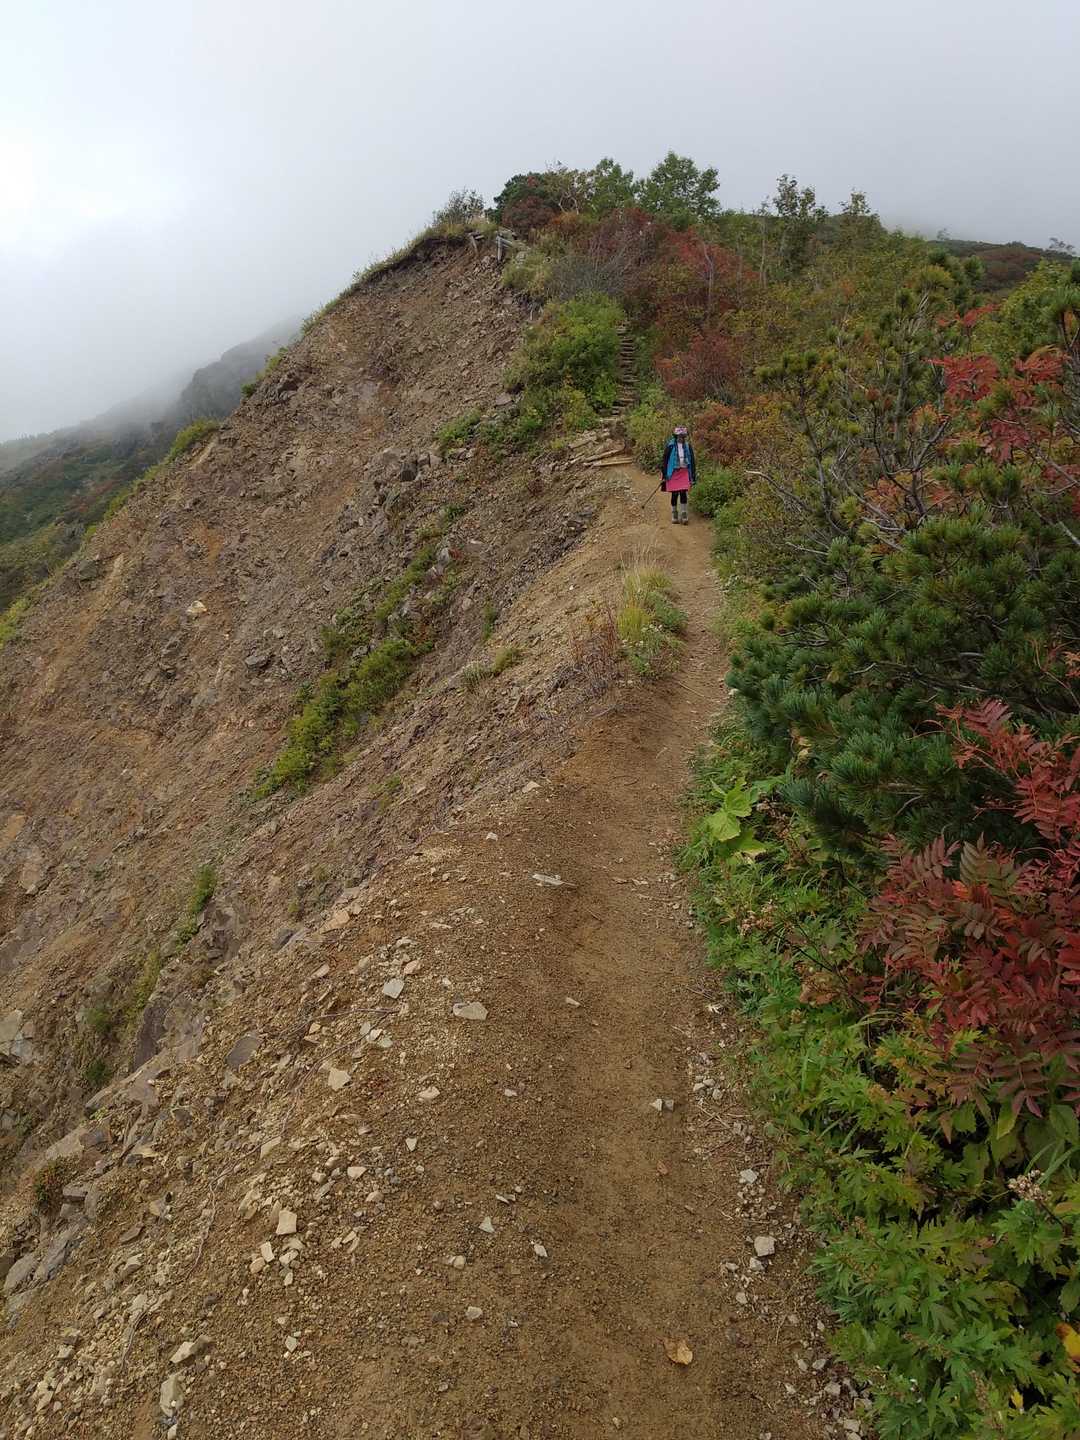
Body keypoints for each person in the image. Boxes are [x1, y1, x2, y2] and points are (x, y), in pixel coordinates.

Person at [660, 425, 696, 524]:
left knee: (683, 493)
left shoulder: (688, 446)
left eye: (683, 436)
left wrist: (693, 475)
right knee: (675, 494)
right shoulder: (670, 446)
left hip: (684, 472)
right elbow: (665, 460)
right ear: (676, 436)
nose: (681, 438)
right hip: (673, 472)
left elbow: (692, 461)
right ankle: (674, 514)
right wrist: (664, 474)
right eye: (679, 436)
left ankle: (684, 514)